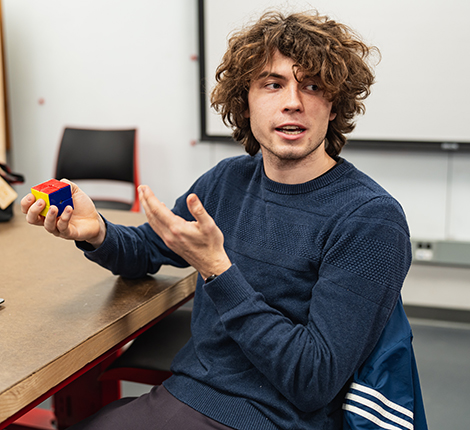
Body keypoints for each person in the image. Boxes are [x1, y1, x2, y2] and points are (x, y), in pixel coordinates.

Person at [22, 10, 426, 430]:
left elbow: (313, 380)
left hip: (274, 421)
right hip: (186, 395)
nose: (293, 102)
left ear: (334, 105)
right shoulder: (227, 181)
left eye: (312, 86)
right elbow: (145, 250)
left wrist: (217, 270)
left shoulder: (371, 220)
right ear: (244, 102)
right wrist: (97, 232)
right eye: (273, 84)